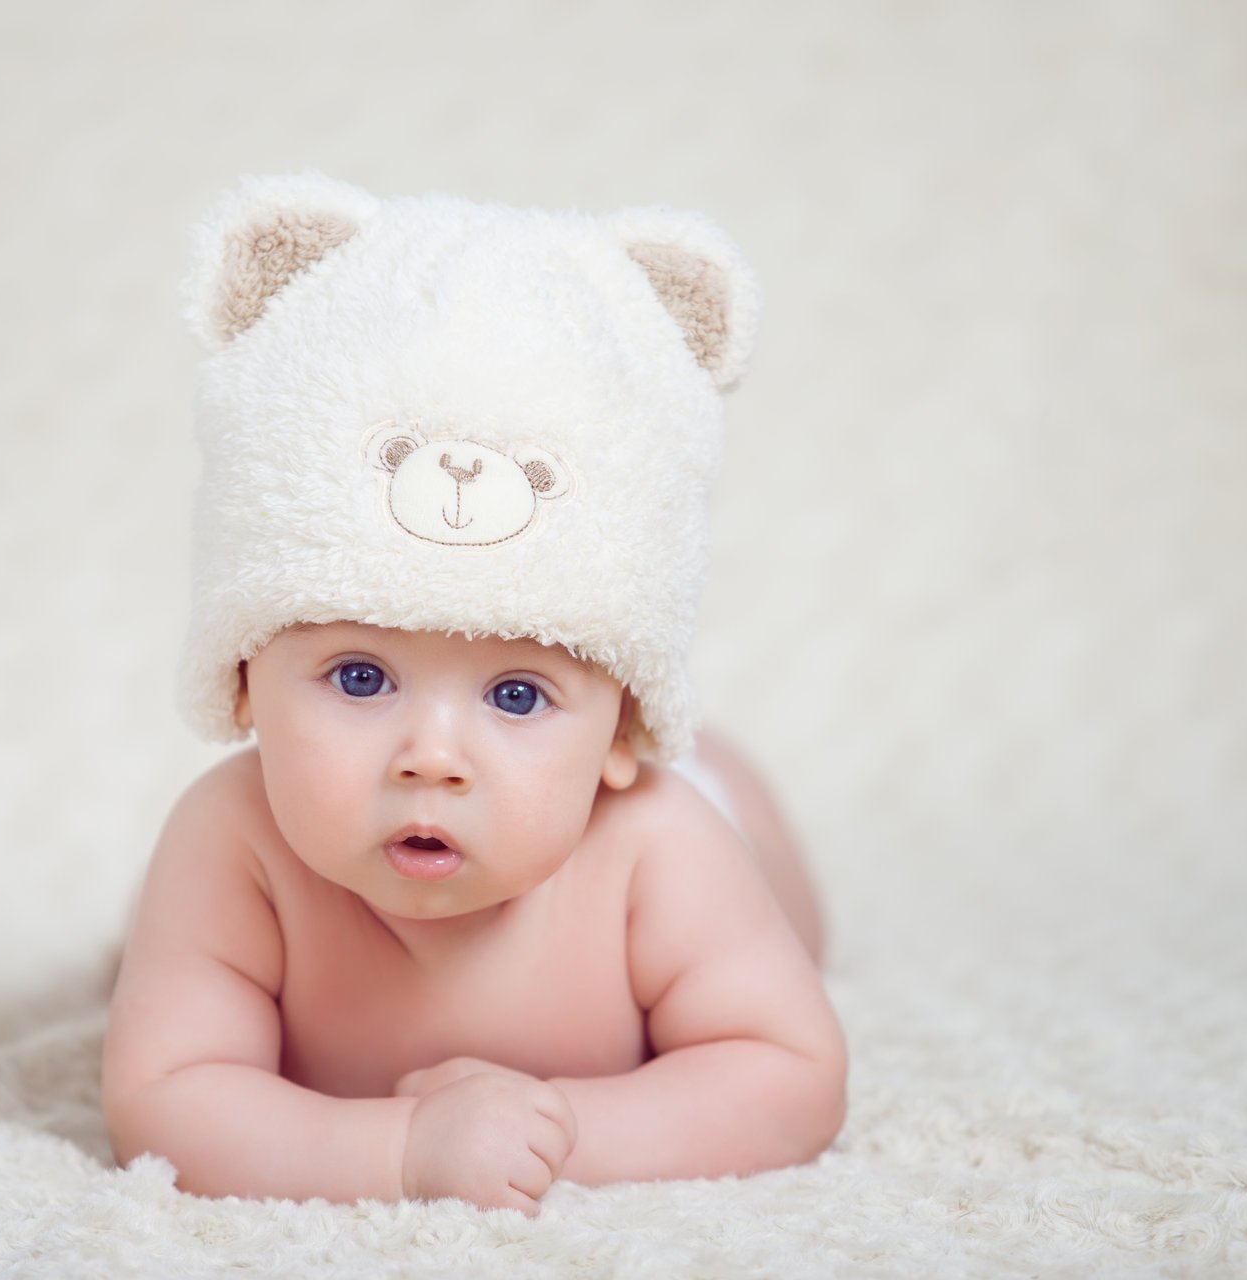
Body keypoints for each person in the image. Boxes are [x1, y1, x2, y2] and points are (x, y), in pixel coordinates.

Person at [102, 176, 846, 1216]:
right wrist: (402, 1148)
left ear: (623, 725)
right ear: (244, 683)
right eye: (360, 676)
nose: (433, 754)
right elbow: (166, 1098)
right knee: (145, 957)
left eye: (517, 692)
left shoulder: (655, 843)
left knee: (773, 892)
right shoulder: (233, 840)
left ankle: (719, 772)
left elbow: (789, 1075)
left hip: (711, 822)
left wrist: (565, 1129)